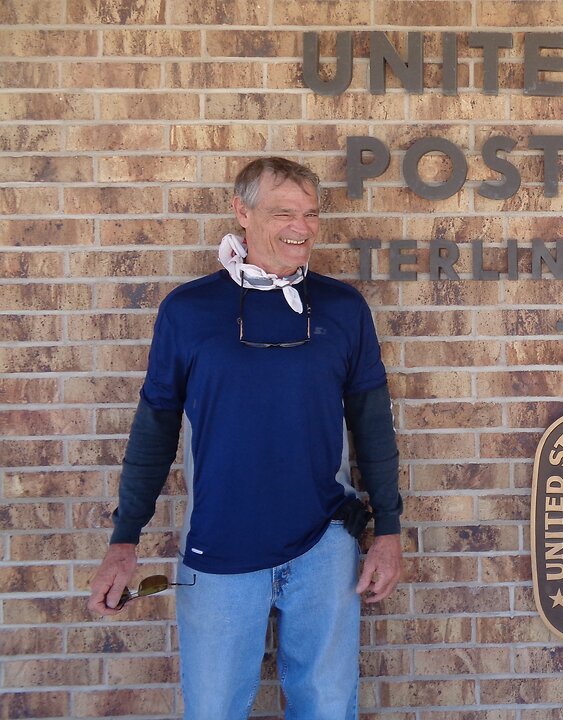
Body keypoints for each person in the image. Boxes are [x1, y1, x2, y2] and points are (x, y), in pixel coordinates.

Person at [87, 157, 404, 720]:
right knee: (213, 709)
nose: (301, 228)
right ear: (242, 213)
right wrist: (124, 538)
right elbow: (154, 428)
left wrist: (389, 530)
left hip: (325, 545)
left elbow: (372, 425)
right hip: (219, 547)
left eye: (310, 214)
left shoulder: (343, 308)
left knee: (329, 708)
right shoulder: (188, 311)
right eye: (284, 212)